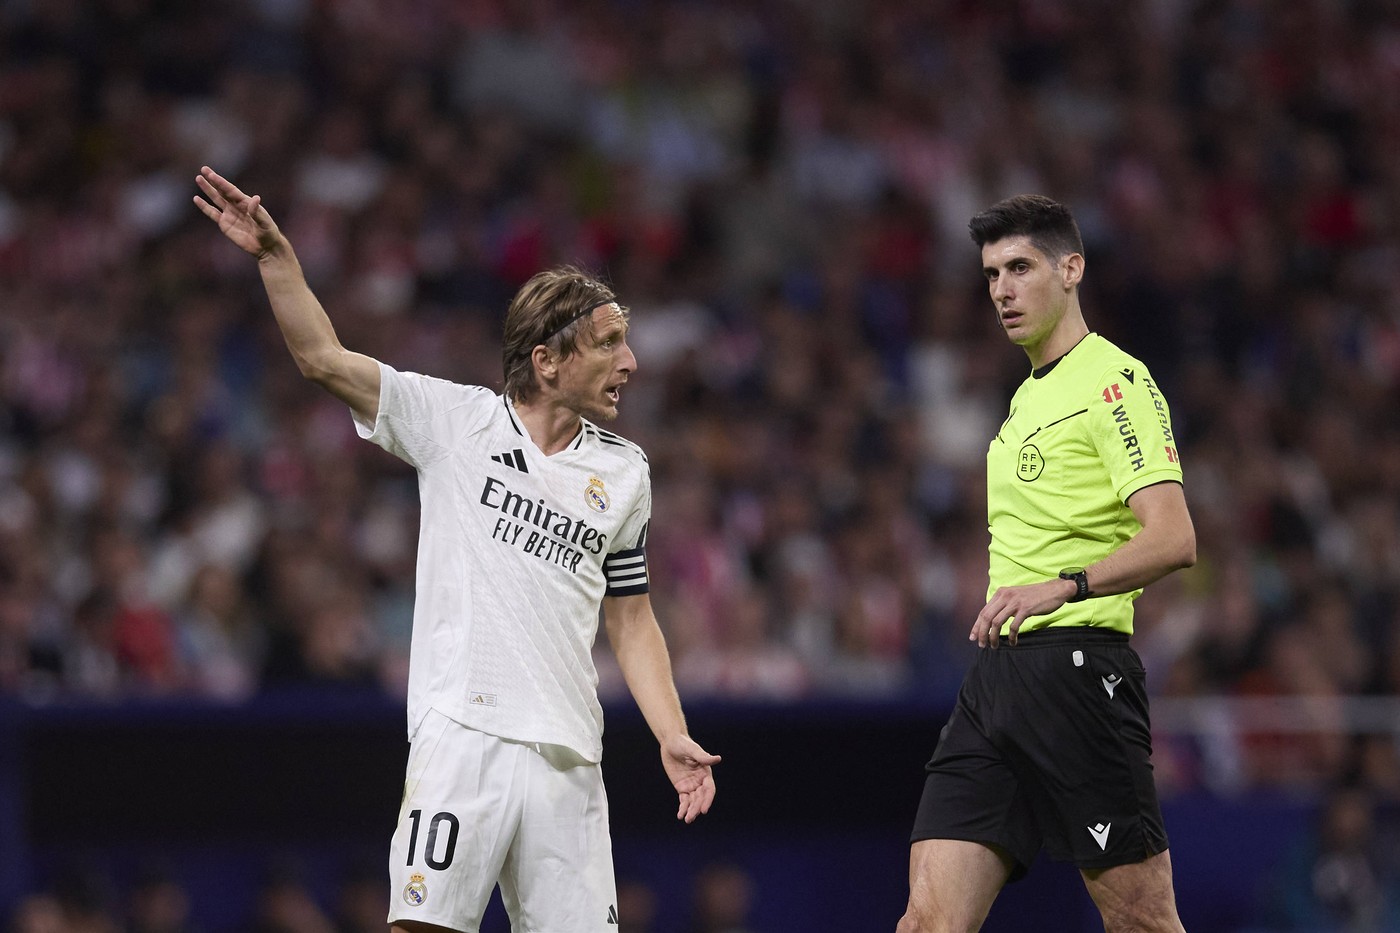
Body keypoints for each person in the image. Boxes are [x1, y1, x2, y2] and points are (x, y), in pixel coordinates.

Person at [193, 166, 719, 933]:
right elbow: (325, 359)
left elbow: (631, 618)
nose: (630, 363)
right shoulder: (453, 422)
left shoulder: (625, 470)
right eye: (609, 344)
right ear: (547, 359)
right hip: (462, 736)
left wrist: (671, 731)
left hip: (571, 759)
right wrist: (278, 259)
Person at [898, 194, 1197, 933]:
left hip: (1077, 673)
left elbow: (1174, 537)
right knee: (927, 922)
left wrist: (1063, 587)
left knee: (1141, 920)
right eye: (992, 272)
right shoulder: (1027, 396)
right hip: (995, 681)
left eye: (1021, 267)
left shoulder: (1114, 382)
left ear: (1072, 269)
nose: (1002, 288)